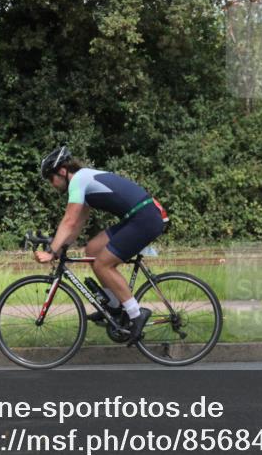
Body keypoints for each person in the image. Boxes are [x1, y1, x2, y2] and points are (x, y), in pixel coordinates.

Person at [34, 145, 168, 346]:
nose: (52, 184)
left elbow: (69, 220)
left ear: (62, 171)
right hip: (137, 217)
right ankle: (114, 307)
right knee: (93, 249)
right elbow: (78, 222)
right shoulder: (84, 180)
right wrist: (63, 247)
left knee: (102, 265)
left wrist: (52, 251)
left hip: (145, 218)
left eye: (51, 178)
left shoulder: (78, 180)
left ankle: (136, 313)